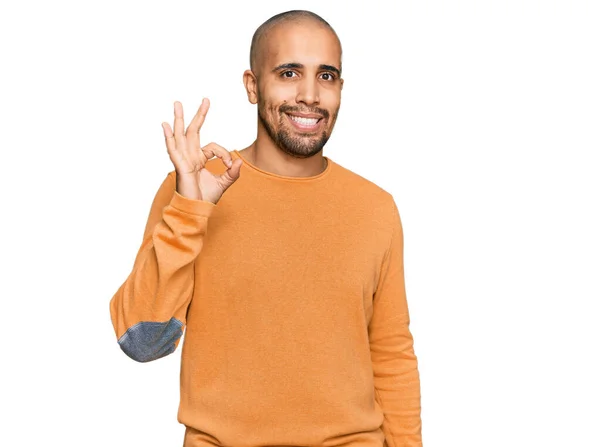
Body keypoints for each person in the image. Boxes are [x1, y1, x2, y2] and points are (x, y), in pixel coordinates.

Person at [109, 9, 422, 447]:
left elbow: (391, 354)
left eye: (326, 76)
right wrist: (187, 212)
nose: (310, 95)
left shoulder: (375, 208)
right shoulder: (194, 188)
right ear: (253, 85)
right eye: (289, 72)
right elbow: (142, 342)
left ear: (341, 89)